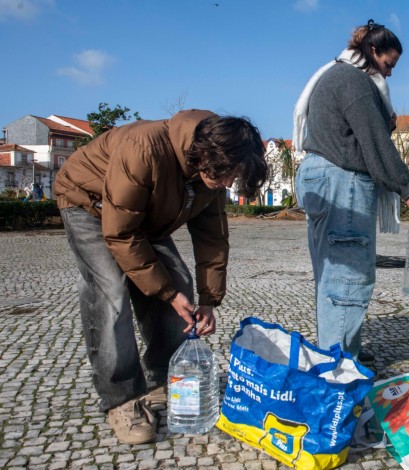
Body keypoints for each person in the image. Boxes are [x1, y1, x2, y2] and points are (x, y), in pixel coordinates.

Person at [53, 109, 268, 445]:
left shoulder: (212, 170)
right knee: (111, 291)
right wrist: (165, 293)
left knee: (179, 280)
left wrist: (209, 301)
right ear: (208, 154)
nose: (228, 184)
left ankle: (159, 381)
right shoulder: (144, 148)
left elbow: (211, 238)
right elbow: (120, 233)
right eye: (227, 175)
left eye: (234, 178)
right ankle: (121, 398)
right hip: (88, 204)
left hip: (141, 215)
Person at [293, 20, 409, 364]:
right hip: (343, 183)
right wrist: (408, 189)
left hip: (320, 177)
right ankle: (339, 364)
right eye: (387, 65)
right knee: (348, 276)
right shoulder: (354, 81)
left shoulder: (333, 74)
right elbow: (375, 144)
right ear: (372, 51)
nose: (390, 74)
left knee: (330, 274)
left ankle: (334, 351)